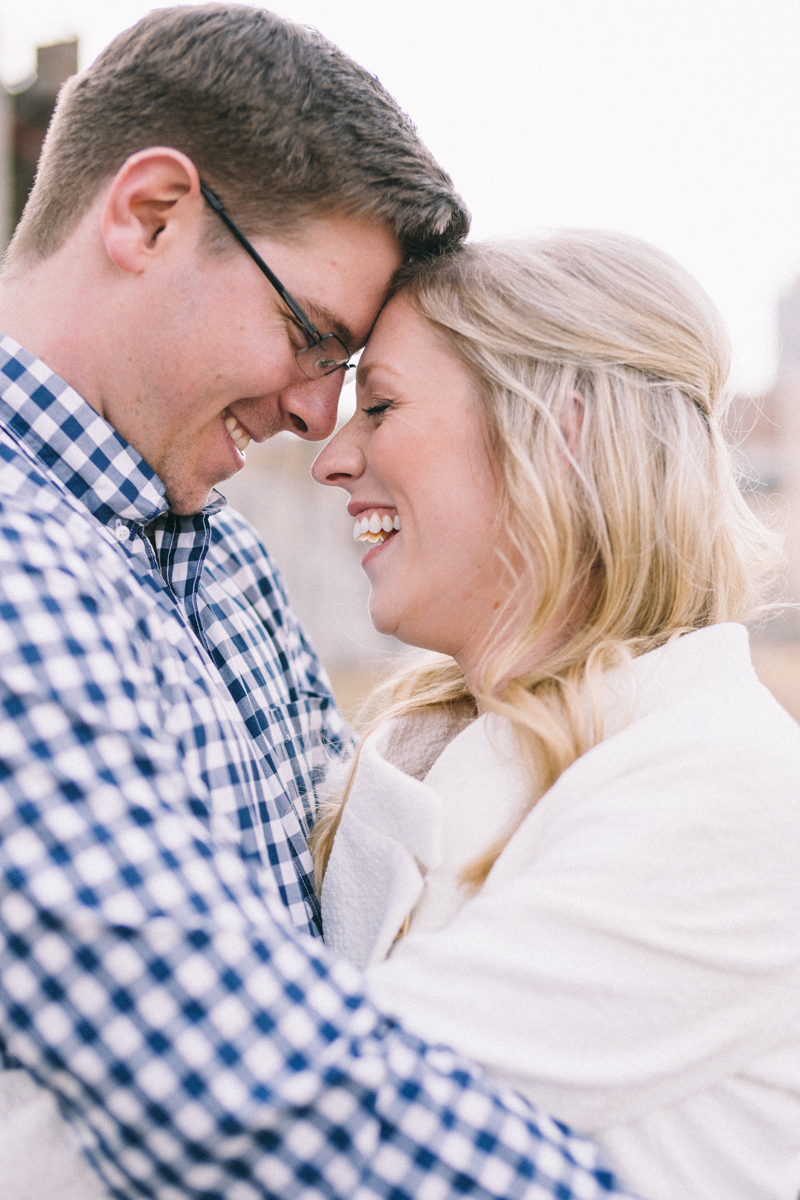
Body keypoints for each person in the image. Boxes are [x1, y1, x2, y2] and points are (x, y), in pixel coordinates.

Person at [0, 5, 640, 1199]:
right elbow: (218, 1076)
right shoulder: (16, 568)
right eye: (309, 335)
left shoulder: (223, 566)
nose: (312, 415)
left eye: (347, 379)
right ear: (150, 215)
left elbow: (356, 957)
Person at [311, 232, 800, 1200]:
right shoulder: (419, 742)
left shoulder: (726, 789)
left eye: (380, 405)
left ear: (558, 432)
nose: (333, 456)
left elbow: (338, 1117)